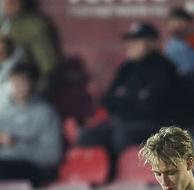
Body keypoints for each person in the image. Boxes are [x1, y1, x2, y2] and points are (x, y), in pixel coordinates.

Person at [78, 23, 182, 158]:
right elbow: (108, 100)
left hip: (157, 126)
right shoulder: (127, 68)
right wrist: (132, 100)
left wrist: (124, 99)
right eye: (129, 40)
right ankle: (99, 171)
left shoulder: (164, 68)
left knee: (121, 135)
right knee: (87, 135)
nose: (130, 45)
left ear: (152, 43)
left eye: (137, 40)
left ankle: (127, 170)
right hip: (124, 122)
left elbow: (152, 106)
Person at [0, 63, 61, 188]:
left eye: (23, 82)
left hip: (33, 169)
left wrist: (15, 143)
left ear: (34, 84)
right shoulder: (3, 113)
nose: (18, 87)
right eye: (14, 82)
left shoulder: (46, 113)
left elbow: (52, 157)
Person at [0, 0, 61, 94]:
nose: (5, 3)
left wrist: (35, 92)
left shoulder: (34, 27)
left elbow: (49, 68)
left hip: (26, 92)